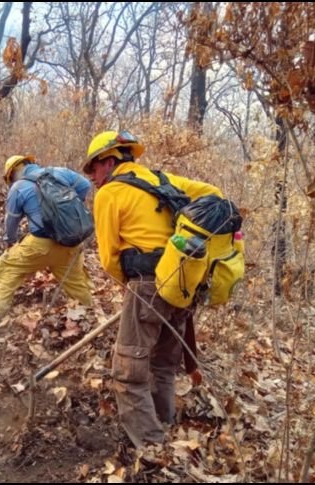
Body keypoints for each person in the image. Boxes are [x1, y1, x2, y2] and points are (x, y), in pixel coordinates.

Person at [82, 130, 221, 448]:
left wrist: (133, 287)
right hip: (185, 284)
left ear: (110, 160)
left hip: (146, 286)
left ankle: (154, 448)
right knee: (162, 364)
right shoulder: (163, 180)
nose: (91, 176)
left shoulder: (109, 194)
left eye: (93, 167)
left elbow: (108, 260)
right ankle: (167, 426)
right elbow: (214, 193)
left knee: (129, 373)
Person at [0, 155, 93, 319]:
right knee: (77, 284)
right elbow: (85, 185)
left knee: (6, 269)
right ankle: (90, 314)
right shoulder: (59, 172)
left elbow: (11, 223)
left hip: (40, 245)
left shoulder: (18, 187)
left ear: (12, 174)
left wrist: (10, 243)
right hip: (70, 243)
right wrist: (68, 213)